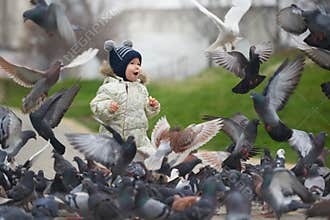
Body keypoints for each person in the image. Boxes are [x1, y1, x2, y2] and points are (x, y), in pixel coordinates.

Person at [90, 40, 160, 160]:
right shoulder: (109, 87)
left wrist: (151, 107)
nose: (137, 66)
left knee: (150, 164)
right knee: (117, 169)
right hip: (115, 143)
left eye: (139, 64)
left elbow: (145, 114)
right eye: (132, 63)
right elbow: (96, 105)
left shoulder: (141, 89)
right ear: (120, 66)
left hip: (139, 141)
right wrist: (108, 107)